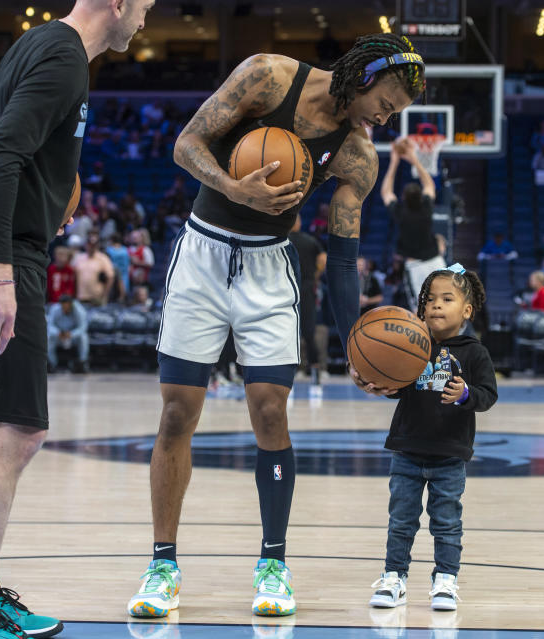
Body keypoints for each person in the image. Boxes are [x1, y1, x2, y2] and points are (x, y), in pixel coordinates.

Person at [130, 33, 426, 619]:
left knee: (270, 409)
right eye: (387, 105)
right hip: (203, 255)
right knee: (176, 412)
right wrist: (230, 185)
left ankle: (274, 563)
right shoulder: (266, 74)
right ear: (364, 76)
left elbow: (342, 259)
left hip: (270, 268)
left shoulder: (357, 157)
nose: (385, 119)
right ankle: (162, 563)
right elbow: (186, 144)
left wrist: (351, 345)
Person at [0, 2, 154, 637]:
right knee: (20, 431)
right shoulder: (64, 59)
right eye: (146, 4)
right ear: (118, 3)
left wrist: (48, 193)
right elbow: (0, 156)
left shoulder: (40, 43)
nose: (148, 16)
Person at [368, 264, 498, 611]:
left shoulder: (475, 352)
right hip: (407, 449)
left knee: (446, 522)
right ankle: (394, 577)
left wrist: (467, 394)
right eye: (430, 299)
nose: (436, 305)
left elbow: (488, 396)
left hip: (449, 454)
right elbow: (398, 387)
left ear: (466, 311)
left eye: (446, 298)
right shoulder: (411, 345)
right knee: (401, 521)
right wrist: (380, 382)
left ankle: (445, 580)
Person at [380, 136, 440, 310]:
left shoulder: (401, 212)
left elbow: (386, 192)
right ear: (421, 197)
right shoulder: (427, 208)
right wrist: (414, 159)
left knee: (421, 310)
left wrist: (394, 161)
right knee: (447, 302)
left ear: (403, 198)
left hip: (416, 267)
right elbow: (429, 184)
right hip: (436, 261)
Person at [288, 211, 325, 383]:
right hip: (307, 287)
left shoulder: (283, 240)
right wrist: (316, 275)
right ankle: (315, 368)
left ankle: (289, 369)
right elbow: (323, 259)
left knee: (288, 330)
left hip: (287, 287)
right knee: (309, 331)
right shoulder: (311, 241)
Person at [46, 294, 89, 373]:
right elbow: (49, 326)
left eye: (67, 305)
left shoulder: (79, 310)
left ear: (71, 304)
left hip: (73, 337)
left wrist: (71, 334)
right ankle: (52, 364)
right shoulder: (55, 309)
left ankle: (82, 363)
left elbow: (83, 328)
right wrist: (58, 332)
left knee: (83, 337)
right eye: (63, 305)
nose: (65, 308)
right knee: (49, 337)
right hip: (59, 336)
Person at [72, 231, 115, 306]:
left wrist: (104, 295)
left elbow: (110, 277)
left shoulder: (103, 258)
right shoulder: (78, 258)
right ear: (86, 245)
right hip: (81, 296)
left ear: (97, 246)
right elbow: (72, 276)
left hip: (96, 297)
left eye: (94, 245)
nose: (91, 246)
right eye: (89, 244)